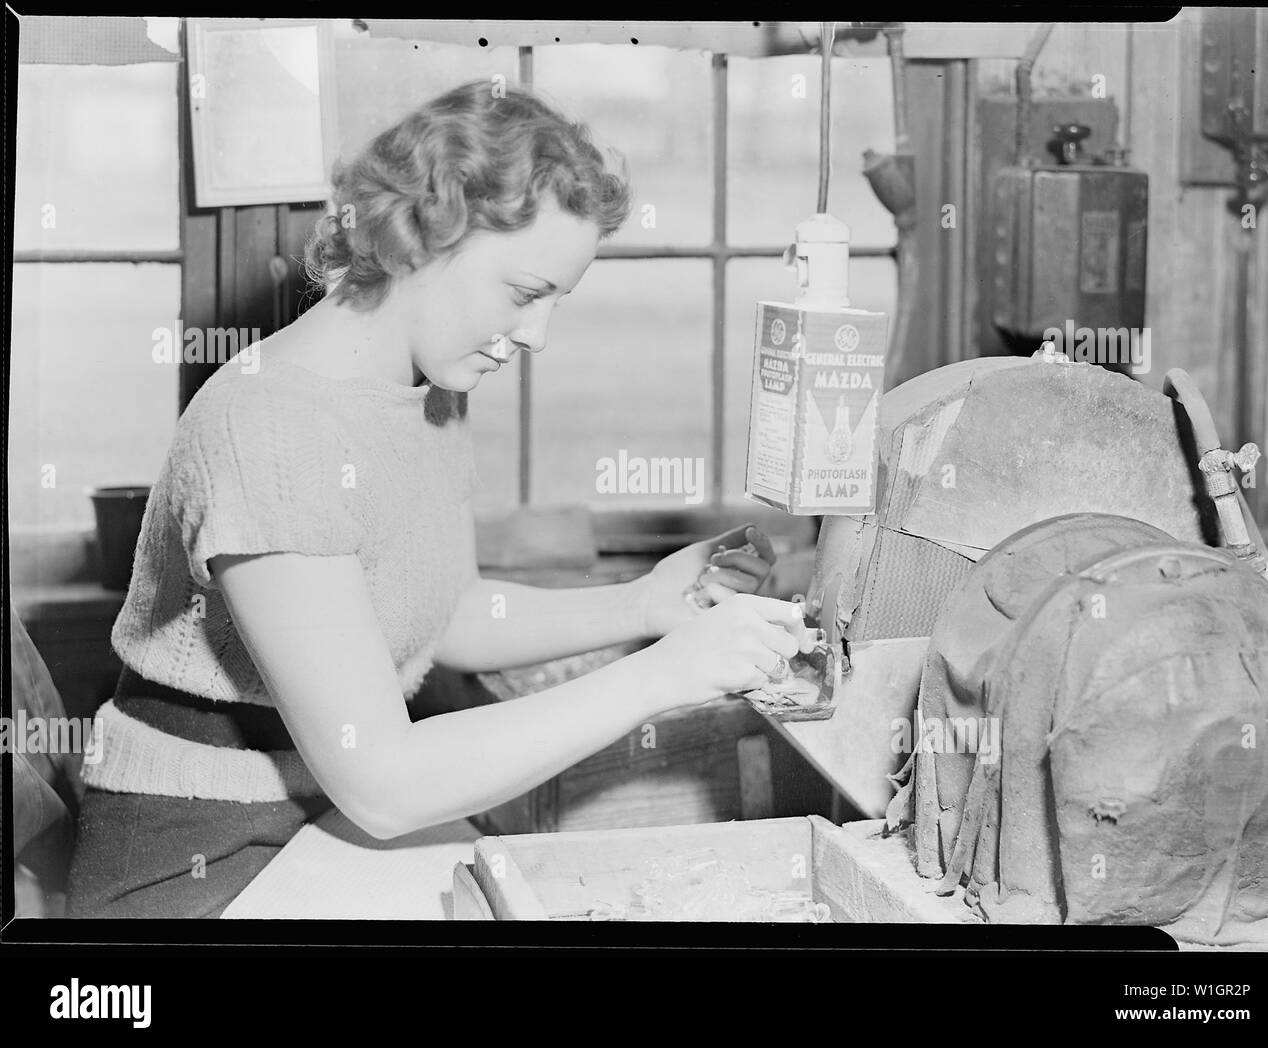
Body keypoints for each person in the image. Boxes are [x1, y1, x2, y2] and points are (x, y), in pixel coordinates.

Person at [67, 80, 813, 918]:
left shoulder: (427, 388)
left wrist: (646, 604)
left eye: (558, 301)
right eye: (526, 292)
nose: (537, 336)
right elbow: (384, 785)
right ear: (420, 239)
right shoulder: (271, 428)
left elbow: (447, 614)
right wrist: (663, 677)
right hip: (197, 858)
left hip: (321, 818)